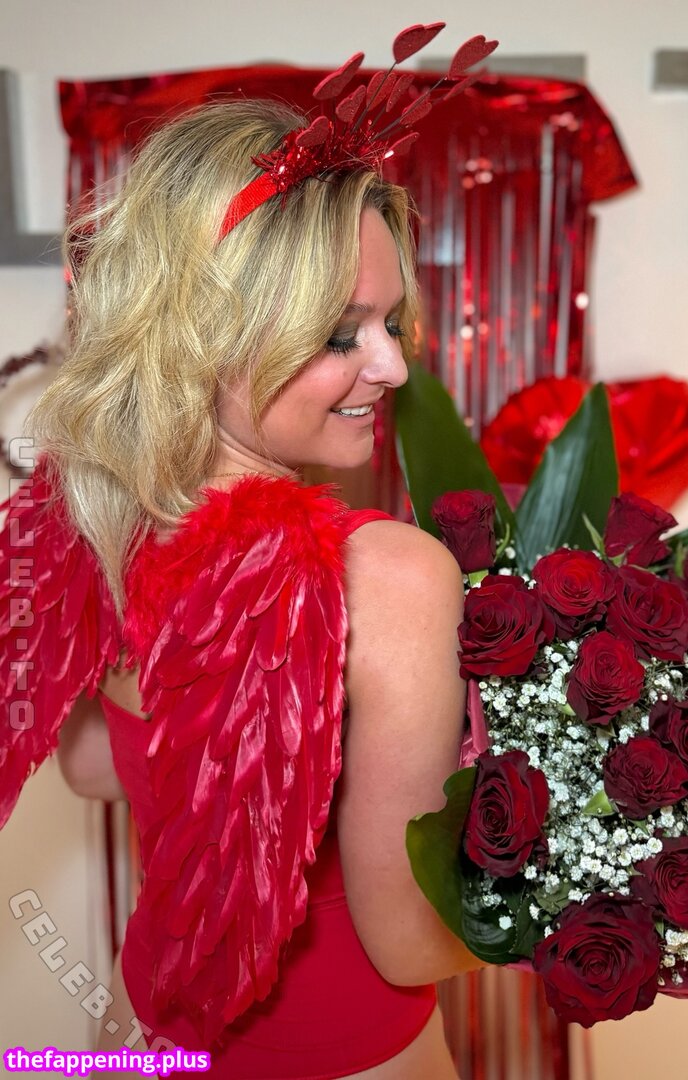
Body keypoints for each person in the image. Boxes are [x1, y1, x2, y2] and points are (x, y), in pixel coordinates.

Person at [1, 84, 491, 1078]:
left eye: (391, 323)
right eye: (342, 333)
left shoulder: (95, 518)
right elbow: (408, 946)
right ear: (208, 333)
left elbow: (95, 769)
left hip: (145, 1041)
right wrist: (568, 907)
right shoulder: (389, 575)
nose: (394, 367)